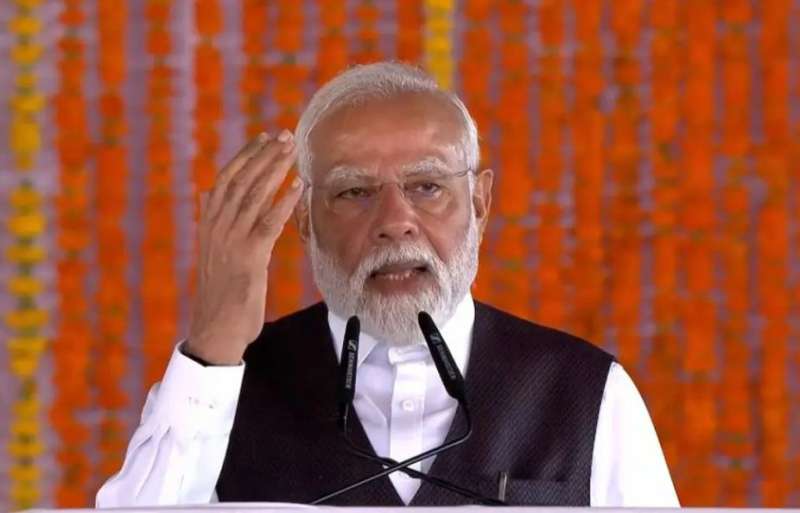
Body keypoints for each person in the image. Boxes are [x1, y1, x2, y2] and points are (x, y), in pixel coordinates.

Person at [96, 62, 679, 507]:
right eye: (354, 192)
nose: (395, 221)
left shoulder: (587, 390)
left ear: (480, 202)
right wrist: (212, 350)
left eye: (427, 186)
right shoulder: (226, 384)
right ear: (304, 221)